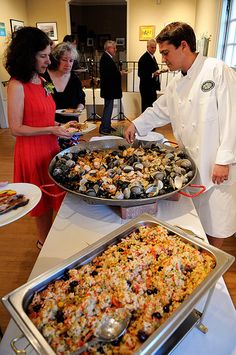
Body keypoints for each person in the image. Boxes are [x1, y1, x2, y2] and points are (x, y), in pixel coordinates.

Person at [125, 22, 236, 248]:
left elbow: (232, 115)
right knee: (196, 222)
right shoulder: (176, 83)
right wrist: (136, 125)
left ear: (183, 45)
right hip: (191, 165)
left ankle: (214, 263)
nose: (163, 58)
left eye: (166, 52)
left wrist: (224, 160)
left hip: (217, 167)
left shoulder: (217, 70)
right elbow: (158, 110)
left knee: (217, 224)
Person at [4, 27, 71, 248]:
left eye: (48, 55)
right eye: (43, 56)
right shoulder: (16, 85)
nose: (47, 60)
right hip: (32, 152)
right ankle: (44, 244)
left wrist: (60, 126)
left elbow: (51, 108)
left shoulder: (43, 80)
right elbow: (16, 128)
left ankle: (56, 241)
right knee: (42, 204)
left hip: (50, 148)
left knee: (57, 197)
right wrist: (50, 129)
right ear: (27, 55)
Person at [43, 42, 85, 125]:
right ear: (56, 60)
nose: (68, 64)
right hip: (50, 125)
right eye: (64, 60)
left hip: (71, 126)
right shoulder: (45, 78)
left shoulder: (74, 79)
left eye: (71, 61)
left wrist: (79, 109)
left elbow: (81, 100)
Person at [99, 40, 122, 135]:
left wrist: (118, 73)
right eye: (114, 48)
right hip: (108, 88)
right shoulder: (106, 58)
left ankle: (107, 126)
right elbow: (108, 74)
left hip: (108, 88)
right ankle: (104, 128)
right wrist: (119, 73)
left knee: (109, 107)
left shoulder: (107, 57)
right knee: (108, 108)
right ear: (109, 48)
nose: (115, 50)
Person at [138, 38, 161, 112]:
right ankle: (145, 123)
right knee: (146, 107)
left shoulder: (152, 57)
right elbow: (140, 74)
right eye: (152, 47)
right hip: (146, 88)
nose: (154, 49)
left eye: (155, 47)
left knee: (152, 107)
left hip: (151, 87)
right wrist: (153, 74)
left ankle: (150, 123)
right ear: (147, 47)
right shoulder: (143, 58)